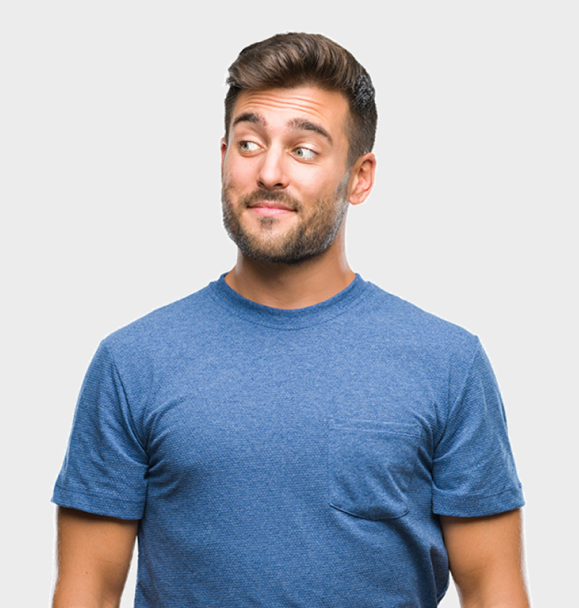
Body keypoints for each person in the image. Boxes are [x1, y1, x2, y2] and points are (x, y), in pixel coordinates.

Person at [52, 33, 529, 608]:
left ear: (360, 176)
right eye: (249, 144)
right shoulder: (132, 363)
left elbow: (494, 589)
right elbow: (86, 592)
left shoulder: (448, 363)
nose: (270, 172)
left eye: (303, 150)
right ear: (223, 157)